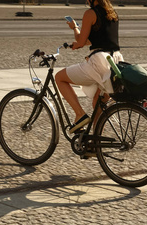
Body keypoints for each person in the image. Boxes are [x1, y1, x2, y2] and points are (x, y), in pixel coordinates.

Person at [55, 0, 123, 133]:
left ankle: (79, 114)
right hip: (116, 61)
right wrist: (77, 35)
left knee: (59, 78)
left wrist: (74, 29)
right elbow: (92, 40)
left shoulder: (90, 13)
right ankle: (94, 145)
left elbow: (81, 42)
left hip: (99, 62)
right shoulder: (112, 12)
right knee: (98, 104)